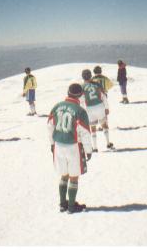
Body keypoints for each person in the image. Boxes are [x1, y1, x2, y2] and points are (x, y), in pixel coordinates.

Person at [47, 83, 93, 214]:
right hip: (73, 146)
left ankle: (62, 203)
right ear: (80, 95)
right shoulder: (80, 111)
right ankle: (72, 206)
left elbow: (49, 126)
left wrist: (51, 143)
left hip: (58, 145)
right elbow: (84, 132)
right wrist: (88, 150)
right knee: (74, 176)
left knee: (64, 174)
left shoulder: (57, 106)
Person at [81, 69, 113, 151]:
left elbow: (82, 100)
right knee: (104, 125)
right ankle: (108, 143)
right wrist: (107, 108)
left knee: (93, 128)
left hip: (89, 108)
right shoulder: (96, 85)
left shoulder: (82, 87)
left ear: (83, 77)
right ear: (91, 76)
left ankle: (95, 147)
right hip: (99, 106)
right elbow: (103, 96)